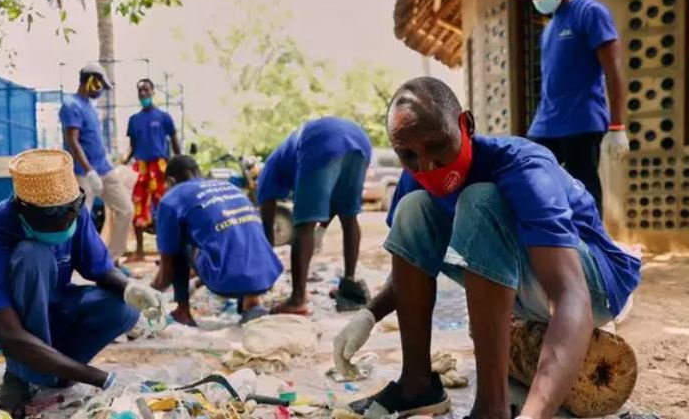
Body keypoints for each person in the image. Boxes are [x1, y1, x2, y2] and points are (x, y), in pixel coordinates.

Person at [342, 77, 641, 419]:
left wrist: (535, 414)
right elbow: (413, 261)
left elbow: (571, 294)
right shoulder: (416, 176)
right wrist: (369, 314)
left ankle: (491, 408)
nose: (426, 166)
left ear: (465, 124)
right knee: (413, 209)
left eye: (437, 145)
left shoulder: (524, 167)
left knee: (479, 200)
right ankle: (417, 385)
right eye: (408, 155)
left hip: (594, 285)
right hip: (527, 291)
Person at [0, 149, 166, 418]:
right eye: (58, 219)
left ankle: (55, 371)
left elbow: (99, 269)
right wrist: (102, 379)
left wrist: (130, 288)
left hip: (51, 306)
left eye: (72, 213)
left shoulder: (72, 208)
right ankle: (21, 376)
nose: (68, 222)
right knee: (33, 255)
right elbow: (7, 333)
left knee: (121, 307)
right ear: (23, 210)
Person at [524, 0, 629, 216]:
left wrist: (617, 127)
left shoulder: (589, 13)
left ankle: (595, 249)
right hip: (545, 124)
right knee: (526, 174)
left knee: (584, 193)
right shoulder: (550, 29)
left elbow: (613, 70)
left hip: (581, 121)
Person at [257, 117, 372, 314]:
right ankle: (349, 285)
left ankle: (297, 300)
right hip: (360, 140)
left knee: (303, 226)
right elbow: (336, 200)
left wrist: (261, 272)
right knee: (349, 217)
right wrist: (322, 230)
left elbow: (267, 230)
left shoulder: (269, 169)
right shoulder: (289, 156)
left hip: (321, 141)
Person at [150, 155, 282, 326]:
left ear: (170, 180)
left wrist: (144, 294)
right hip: (267, 275)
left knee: (177, 242)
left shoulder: (172, 198)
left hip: (228, 281)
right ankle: (252, 302)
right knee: (237, 234)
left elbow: (166, 275)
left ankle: (182, 310)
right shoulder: (229, 187)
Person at [60, 63, 134, 264]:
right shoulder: (71, 105)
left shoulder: (90, 108)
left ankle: (109, 261)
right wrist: (89, 171)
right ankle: (73, 263)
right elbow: (72, 141)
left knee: (126, 209)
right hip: (84, 173)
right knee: (79, 219)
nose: (101, 90)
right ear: (91, 80)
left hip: (104, 169)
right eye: (100, 85)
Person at [122, 78, 181, 260]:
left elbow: (174, 140)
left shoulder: (164, 117)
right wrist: (123, 162)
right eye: (140, 91)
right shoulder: (134, 120)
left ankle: (167, 251)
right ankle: (139, 251)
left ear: (153, 92)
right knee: (137, 207)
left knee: (164, 207)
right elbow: (132, 146)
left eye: (146, 90)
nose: (143, 94)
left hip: (160, 166)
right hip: (140, 166)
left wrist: (179, 162)